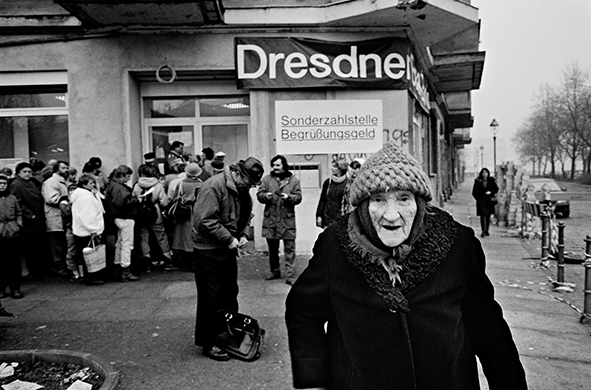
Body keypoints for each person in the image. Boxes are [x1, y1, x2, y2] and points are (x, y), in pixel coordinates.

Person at [285, 142, 527, 390]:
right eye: (378, 199)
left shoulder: (458, 245)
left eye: (403, 199)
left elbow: (487, 326)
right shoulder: (336, 246)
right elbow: (302, 310)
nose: (391, 215)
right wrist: (314, 380)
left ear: (420, 203)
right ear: (364, 206)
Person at [192, 156, 264, 361]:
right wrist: (229, 239)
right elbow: (205, 220)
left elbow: (245, 216)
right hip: (207, 249)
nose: (250, 187)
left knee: (229, 293)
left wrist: (242, 235)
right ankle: (209, 342)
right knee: (210, 296)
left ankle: (227, 335)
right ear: (238, 173)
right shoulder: (213, 186)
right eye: (248, 182)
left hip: (226, 246)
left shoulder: (242, 190)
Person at [256, 155, 302, 285]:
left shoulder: (294, 181)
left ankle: (291, 276)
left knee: (290, 248)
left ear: (284, 166)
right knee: (272, 248)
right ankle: (274, 270)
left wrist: (288, 197)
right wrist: (266, 196)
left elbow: (298, 197)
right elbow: (259, 195)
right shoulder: (267, 180)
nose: (275, 168)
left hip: (286, 220)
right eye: (273, 165)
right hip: (271, 219)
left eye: (278, 165)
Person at [9, 162, 46, 280]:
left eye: (30, 172)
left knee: (35, 247)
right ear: (18, 173)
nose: (28, 174)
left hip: (36, 220)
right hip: (28, 222)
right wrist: (29, 215)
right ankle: (30, 272)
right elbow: (17, 203)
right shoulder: (17, 184)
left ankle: (36, 271)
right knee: (29, 248)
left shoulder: (31, 183)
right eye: (24, 171)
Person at [132, 164, 173, 271]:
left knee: (143, 237)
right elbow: (163, 202)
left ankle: (147, 259)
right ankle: (167, 258)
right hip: (155, 213)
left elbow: (134, 198)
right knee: (161, 236)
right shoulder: (158, 185)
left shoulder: (137, 185)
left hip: (141, 213)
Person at [105, 165, 140, 282]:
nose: (129, 178)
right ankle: (125, 270)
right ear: (121, 176)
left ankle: (117, 269)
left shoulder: (112, 185)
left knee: (120, 243)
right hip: (125, 217)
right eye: (128, 176)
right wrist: (137, 200)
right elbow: (124, 203)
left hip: (117, 217)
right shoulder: (120, 188)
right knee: (127, 244)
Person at [71, 174, 106, 285]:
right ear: (84, 184)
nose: (94, 185)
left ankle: (90, 277)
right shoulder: (86, 197)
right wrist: (93, 229)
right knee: (91, 255)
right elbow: (87, 215)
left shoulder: (82, 195)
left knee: (87, 255)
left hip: (81, 230)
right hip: (88, 231)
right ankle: (92, 277)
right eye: (91, 183)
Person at [171, 163, 203, 271]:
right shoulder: (201, 184)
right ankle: (195, 262)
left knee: (182, 237)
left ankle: (185, 262)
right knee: (194, 236)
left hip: (183, 213)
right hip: (196, 212)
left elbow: (175, 197)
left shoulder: (181, 184)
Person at [42, 160, 70, 277]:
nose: (66, 170)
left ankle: (62, 265)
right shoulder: (51, 182)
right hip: (55, 217)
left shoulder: (63, 182)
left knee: (62, 243)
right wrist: (66, 199)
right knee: (57, 244)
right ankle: (58, 266)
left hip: (62, 216)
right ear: (57, 169)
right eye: (63, 168)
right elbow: (51, 198)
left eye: (67, 168)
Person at [0, 174, 23, 300]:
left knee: (14, 262)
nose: (2, 185)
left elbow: (18, 213)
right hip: (0, 232)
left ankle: (15, 288)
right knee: (1, 263)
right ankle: (1, 288)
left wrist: (18, 225)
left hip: (12, 231)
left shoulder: (12, 198)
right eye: (0, 183)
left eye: (4, 183)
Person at [316, 159, 349, 229]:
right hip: (327, 219)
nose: (332, 168)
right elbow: (322, 200)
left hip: (340, 220)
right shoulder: (328, 182)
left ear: (341, 169)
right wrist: (319, 215)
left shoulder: (347, 184)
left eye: (334, 167)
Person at [472, 168, 499, 237]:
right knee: (483, 216)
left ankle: (487, 230)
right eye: (483, 173)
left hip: (489, 201)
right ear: (481, 173)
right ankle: (483, 231)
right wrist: (478, 199)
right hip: (481, 201)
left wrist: (491, 192)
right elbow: (474, 192)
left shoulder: (491, 180)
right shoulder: (478, 181)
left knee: (488, 216)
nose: (484, 174)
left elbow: (496, 189)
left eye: (486, 173)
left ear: (488, 173)